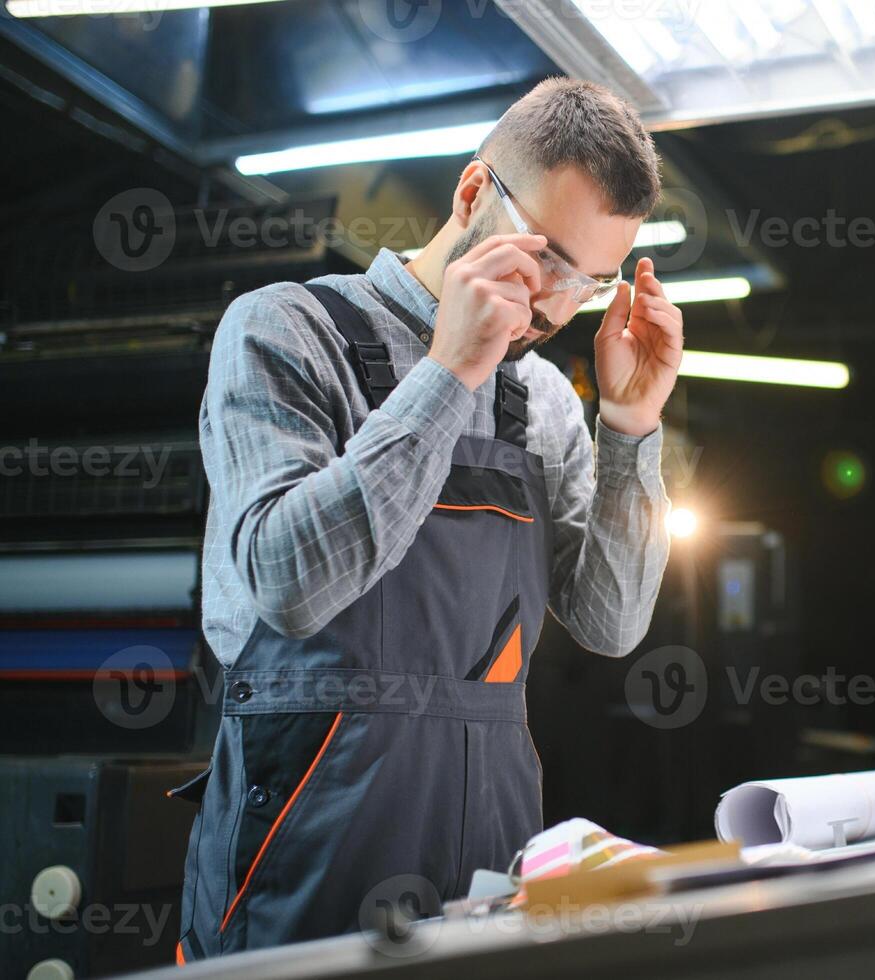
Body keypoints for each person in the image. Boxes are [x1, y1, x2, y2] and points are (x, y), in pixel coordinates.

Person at [172, 77, 683, 960]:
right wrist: (448, 374)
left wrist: (630, 432)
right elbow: (292, 586)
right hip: (304, 855)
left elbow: (609, 624)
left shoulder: (543, 400)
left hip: (487, 858)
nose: (560, 308)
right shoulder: (291, 332)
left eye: (591, 283)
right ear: (473, 193)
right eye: (549, 261)